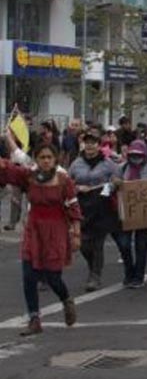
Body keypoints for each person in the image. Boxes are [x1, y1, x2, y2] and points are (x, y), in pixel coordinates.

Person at [0, 142, 81, 336]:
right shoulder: (29, 176)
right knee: (29, 276)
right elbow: (10, 171)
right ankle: (34, 319)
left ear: (55, 159)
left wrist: (76, 234)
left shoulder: (63, 180)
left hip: (56, 231)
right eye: (42, 157)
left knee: (53, 277)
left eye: (49, 157)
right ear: (36, 159)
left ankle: (66, 300)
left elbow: (74, 208)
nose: (45, 161)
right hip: (34, 230)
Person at [69, 130, 119, 291]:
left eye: (93, 142)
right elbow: (67, 183)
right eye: (87, 142)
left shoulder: (108, 163)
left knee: (97, 244)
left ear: (99, 145)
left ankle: (95, 276)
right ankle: (92, 267)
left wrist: (108, 186)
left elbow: (118, 180)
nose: (90, 145)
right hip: (82, 207)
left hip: (102, 207)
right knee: (83, 243)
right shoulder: (76, 163)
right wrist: (77, 188)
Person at [112, 140, 147, 288]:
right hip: (126, 213)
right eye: (133, 155)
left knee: (141, 246)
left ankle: (138, 277)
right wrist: (116, 182)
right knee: (124, 244)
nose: (136, 158)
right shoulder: (122, 167)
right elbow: (111, 185)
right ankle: (129, 271)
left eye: (139, 155)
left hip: (145, 213)